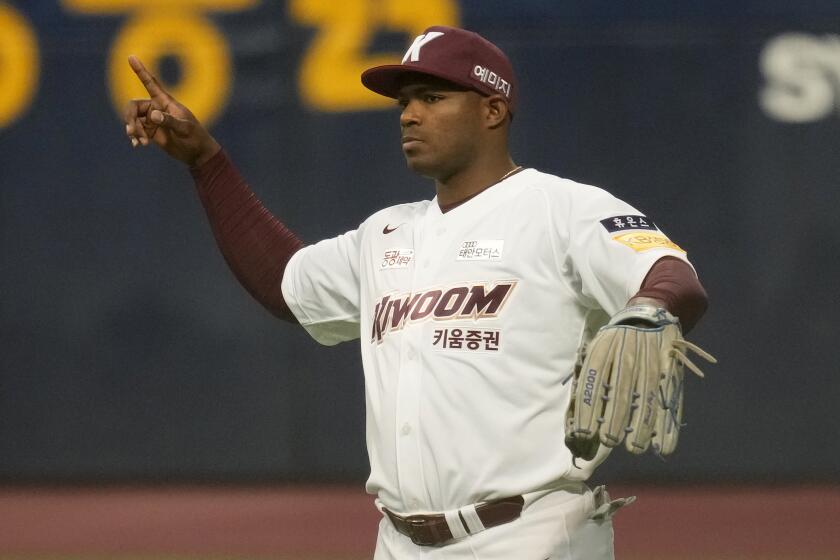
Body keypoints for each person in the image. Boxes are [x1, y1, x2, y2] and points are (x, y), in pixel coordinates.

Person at [124, 25, 711, 560]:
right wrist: (206, 160)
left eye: (433, 98)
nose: (409, 116)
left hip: (532, 537)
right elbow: (286, 284)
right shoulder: (387, 233)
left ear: (493, 110)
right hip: (399, 543)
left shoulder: (560, 208)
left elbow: (670, 272)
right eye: (405, 102)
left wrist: (648, 308)